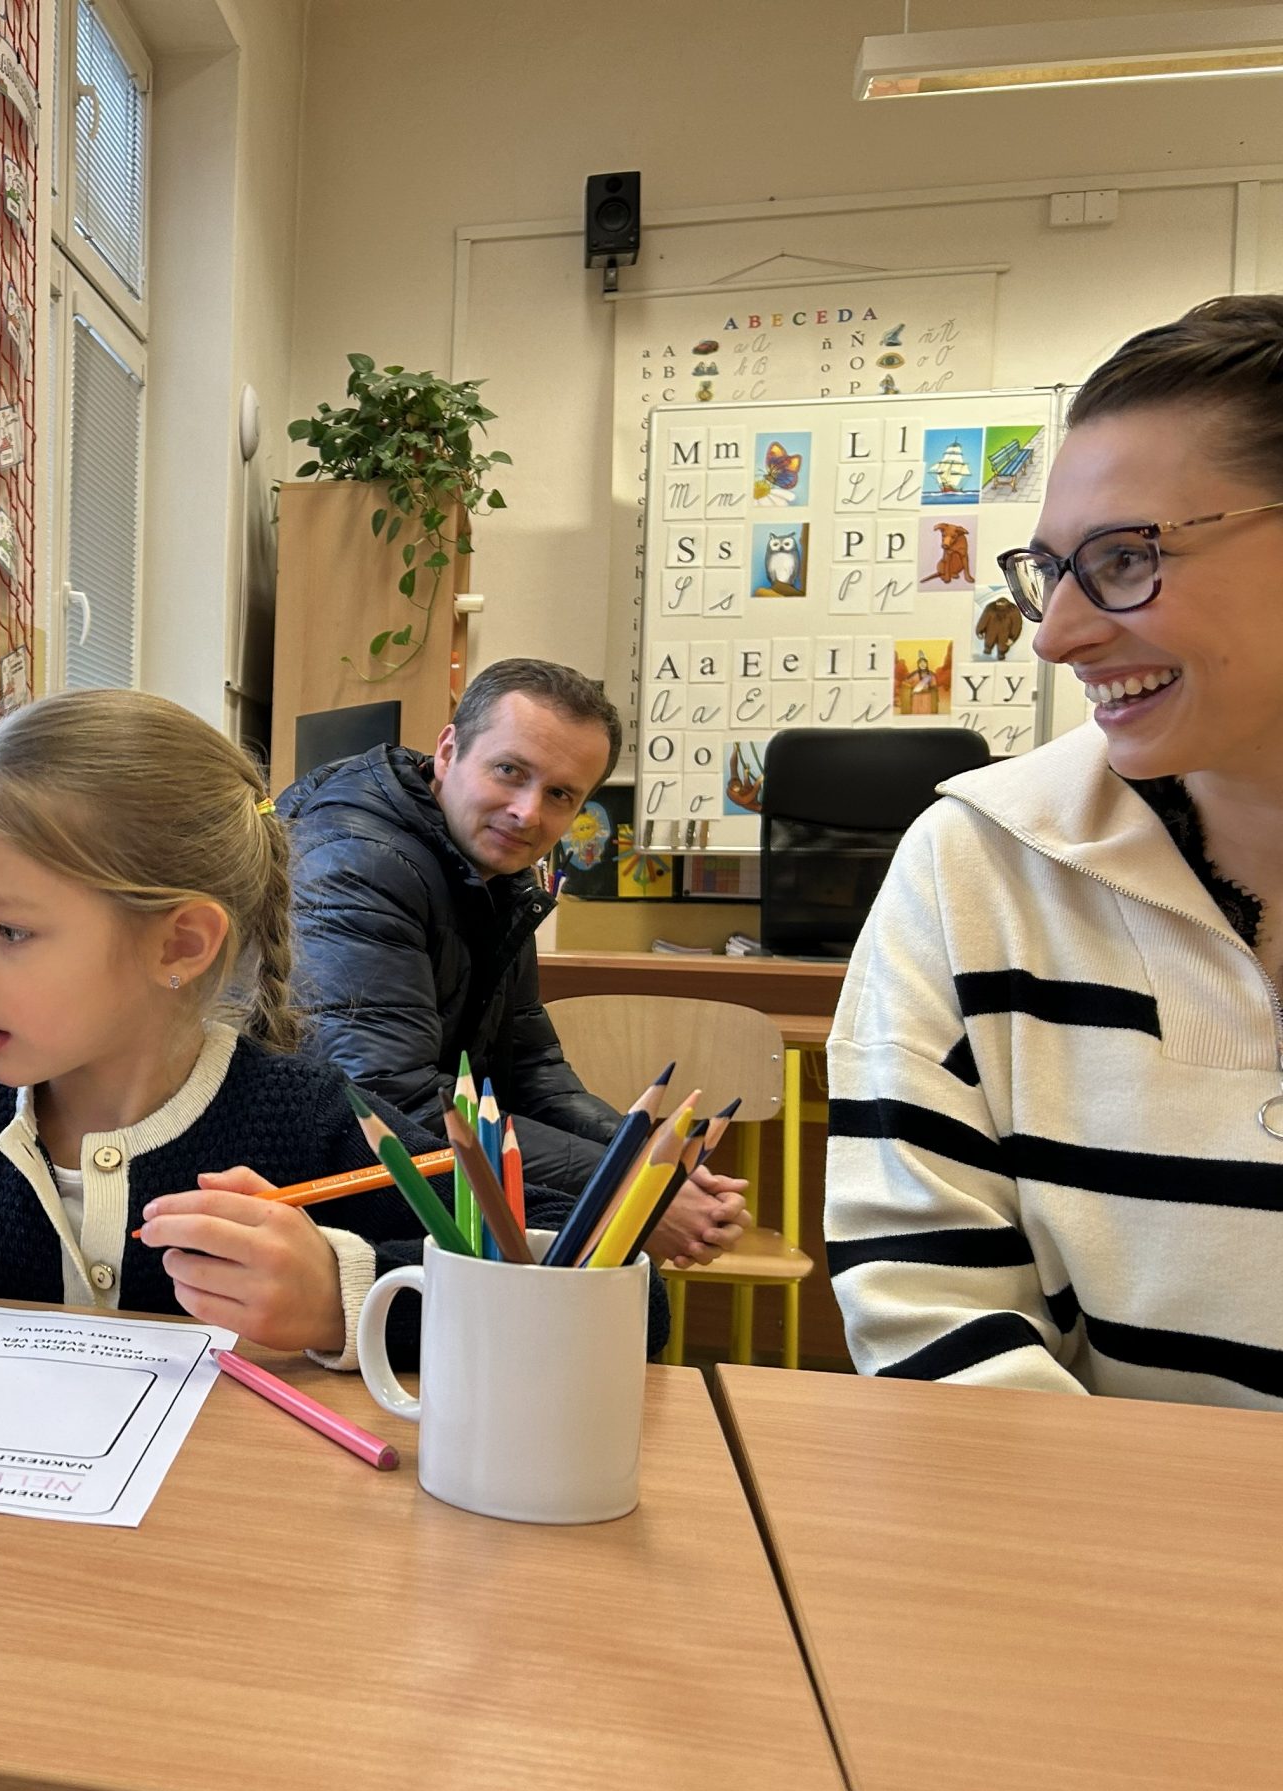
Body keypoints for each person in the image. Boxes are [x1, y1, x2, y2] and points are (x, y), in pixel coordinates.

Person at [0, 689, 654, 1364]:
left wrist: (347, 1295)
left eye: (9, 930)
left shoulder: (312, 1123)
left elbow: (606, 1294)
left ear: (179, 943)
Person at [829, 294, 1283, 1406]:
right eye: (1049, 571)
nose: (1057, 635)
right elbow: (932, 1309)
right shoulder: (982, 863)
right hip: (1103, 1519)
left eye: (1125, 558)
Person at [276, 659, 746, 1266]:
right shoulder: (355, 861)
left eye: (560, 794)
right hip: (320, 1186)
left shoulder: (493, 871)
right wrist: (624, 1190)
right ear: (449, 751)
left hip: (416, 1168)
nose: (528, 813)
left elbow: (530, 1067)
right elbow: (390, 1101)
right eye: (509, 771)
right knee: (609, 1283)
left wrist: (647, 1158)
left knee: (614, 1283)